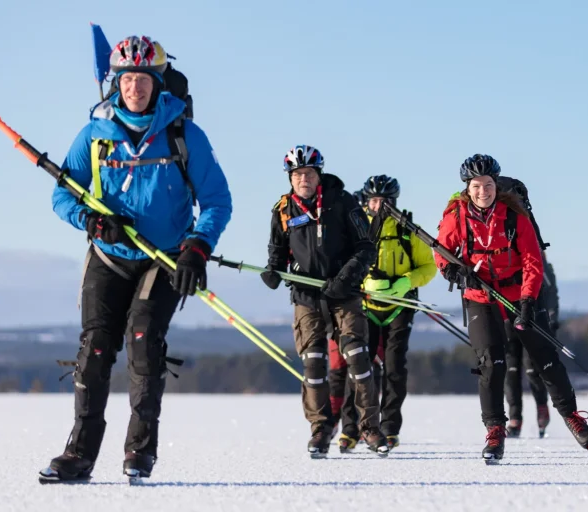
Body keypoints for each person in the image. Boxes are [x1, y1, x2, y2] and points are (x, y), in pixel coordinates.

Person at [40, 35, 232, 482]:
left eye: (143, 79)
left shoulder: (184, 133)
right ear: (115, 83)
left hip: (164, 259)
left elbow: (218, 201)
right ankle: (79, 455)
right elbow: (61, 194)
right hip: (108, 257)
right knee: (96, 350)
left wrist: (197, 248)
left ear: (158, 82)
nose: (135, 88)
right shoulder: (94, 134)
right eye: (127, 79)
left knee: (145, 345)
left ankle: (139, 452)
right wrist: (89, 220)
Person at [435, 154, 588, 462]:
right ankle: (496, 431)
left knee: (545, 358)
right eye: (476, 186)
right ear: (466, 188)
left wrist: (527, 300)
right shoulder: (456, 216)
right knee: (491, 363)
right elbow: (443, 253)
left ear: (496, 185)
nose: (483, 191)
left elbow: (532, 260)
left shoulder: (514, 215)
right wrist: (456, 273)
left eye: (488, 185)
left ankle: (571, 416)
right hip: (480, 296)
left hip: (518, 295)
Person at [260, 145, 388, 457]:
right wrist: (274, 272)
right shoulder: (282, 209)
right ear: (290, 178)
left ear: (319, 175)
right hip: (306, 295)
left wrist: (345, 278)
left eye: (309, 173)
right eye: (298, 174)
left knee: (358, 357)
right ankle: (320, 429)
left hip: (343, 293)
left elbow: (366, 247)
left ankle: (370, 427)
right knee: (313, 364)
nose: (304, 178)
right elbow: (277, 253)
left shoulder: (342, 202)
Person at [335, 175, 437, 453]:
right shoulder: (356, 228)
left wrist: (405, 282)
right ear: (366, 201)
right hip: (366, 306)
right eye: (374, 200)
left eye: (386, 201)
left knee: (394, 368)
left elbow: (429, 267)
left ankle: (389, 428)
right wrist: (364, 282)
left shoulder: (409, 230)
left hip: (399, 307)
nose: (379, 205)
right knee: (359, 367)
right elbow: (343, 264)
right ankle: (351, 429)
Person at [493, 176, 557, 439]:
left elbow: (550, 290)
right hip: (507, 313)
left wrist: (551, 316)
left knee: (534, 369)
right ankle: (515, 418)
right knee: (511, 369)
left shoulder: (539, 258)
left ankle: (542, 408)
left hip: (532, 314)